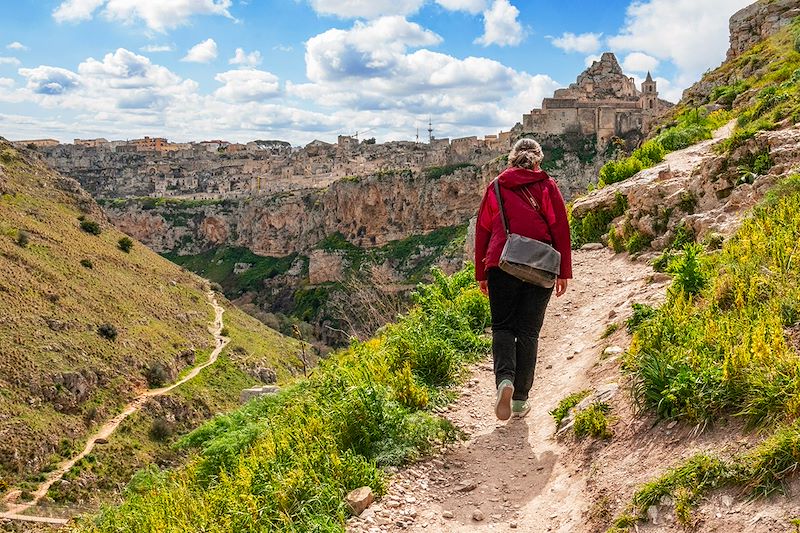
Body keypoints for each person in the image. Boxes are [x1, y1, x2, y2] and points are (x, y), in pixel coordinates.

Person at [474, 138, 572, 421]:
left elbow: (483, 231)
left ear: (511, 160)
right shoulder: (547, 186)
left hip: (501, 263)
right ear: (537, 161)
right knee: (528, 332)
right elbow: (560, 227)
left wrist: (482, 273)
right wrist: (563, 270)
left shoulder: (495, 187)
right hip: (540, 265)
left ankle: (504, 379)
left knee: (503, 327)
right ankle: (519, 400)